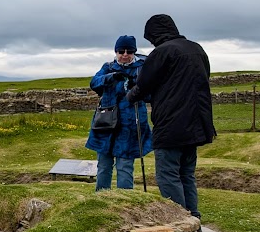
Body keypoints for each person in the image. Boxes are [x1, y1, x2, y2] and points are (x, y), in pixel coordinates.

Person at [128, 14, 215, 217]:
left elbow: (143, 84)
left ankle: (180, 221)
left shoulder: (162, 52)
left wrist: (130, 96)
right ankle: (193, 218)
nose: (151, 41)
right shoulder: (197, 49)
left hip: (171, 123)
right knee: (186, 173)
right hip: (198, 123)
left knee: (167, 174)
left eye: (150, 37)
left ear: (155, 34)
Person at [86, 36, 152, 190]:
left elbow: (150, 95)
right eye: (121, 51)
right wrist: (110, 77)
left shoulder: (142, 68)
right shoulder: (108, 67)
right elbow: (94, 83)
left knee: (125, 166)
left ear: (134, 51)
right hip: (106, 123)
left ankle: (124, 202)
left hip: (131, 124)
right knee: (103, 165)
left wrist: (138, 87)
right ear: (116, 51)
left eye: (129, 51)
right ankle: (102, 200)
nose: (125, 54)